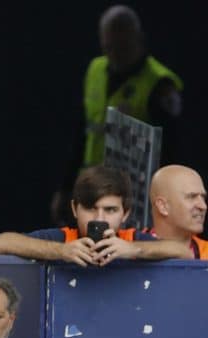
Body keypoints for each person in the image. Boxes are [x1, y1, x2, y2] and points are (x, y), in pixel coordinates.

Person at [57, 5, 183, 221]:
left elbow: (171, 151)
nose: (115, 54)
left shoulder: (159, 84)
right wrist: (66, 188)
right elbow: (82, 132)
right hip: (90, 189)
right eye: (109, 47)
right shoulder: (96, 70)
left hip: (132, 199)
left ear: (137, 39)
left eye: (122, 47)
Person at [0, 166, 192, 266]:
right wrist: (61, 251)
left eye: (110, 210)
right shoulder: (64, 238)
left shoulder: (130, 239)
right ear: (75, 209)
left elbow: (183, 252)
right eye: (91, 208)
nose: (99, 218)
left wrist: (132, 249)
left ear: (125, 214)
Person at [147, 164, 208, 259]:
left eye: (203, 197)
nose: (203, 206)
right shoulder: (126, 241)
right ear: (163, 206)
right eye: (191, 197)